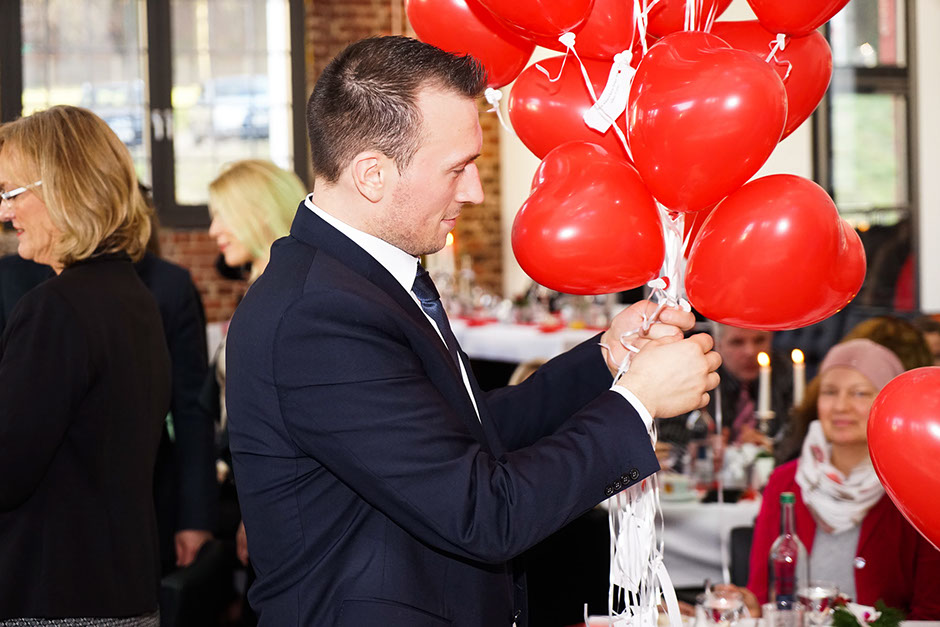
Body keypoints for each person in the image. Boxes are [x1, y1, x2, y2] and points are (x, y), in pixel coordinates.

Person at [226, 36, 721, 627]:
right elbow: (485, 514)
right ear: (372, 175)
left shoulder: (359, 279)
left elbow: (465, 433)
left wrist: (607, 359)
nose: (475, 191)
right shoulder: (318, 316)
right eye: (457, 168)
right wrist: (637, 402)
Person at [0, 105, 171, 624]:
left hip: (56, 599)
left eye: (11, 193)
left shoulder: (56, 308)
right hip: (122, 592)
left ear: (63, 189)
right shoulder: (133, 296)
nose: (5, 213)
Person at [0, 196, 217, 577]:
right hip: (35, 519)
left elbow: (191, 408)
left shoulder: (164, 284)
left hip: (141, 497)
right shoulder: (12, 274)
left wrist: (195, 516)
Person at [738, 339, 940, 617]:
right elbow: (762, 593)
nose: (840, 406)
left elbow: (930, 610)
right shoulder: (785, 480)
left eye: (859, 393)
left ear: (887, 403)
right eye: (830, 392)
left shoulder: (909, 485)